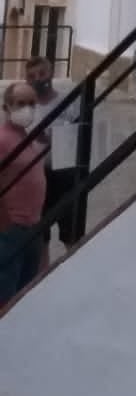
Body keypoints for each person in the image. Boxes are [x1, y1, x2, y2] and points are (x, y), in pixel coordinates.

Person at [28, 55, 84, 251]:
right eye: (32, 76)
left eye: (42, 73)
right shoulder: (27, 107)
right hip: (37, 176)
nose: (38, 79)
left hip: (65, 173)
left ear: (51, 73)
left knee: (71, 235)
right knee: (40, 237)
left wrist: (54, 139)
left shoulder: (68, 103)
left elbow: (82, 137)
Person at [0, 80, 49, 303]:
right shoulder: (3, 139)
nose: (27, 108)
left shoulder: (26, 136)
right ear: (7, 106)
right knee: (6, 294)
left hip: (32, 225)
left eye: (31, 103)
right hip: (12, 228)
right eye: (20, 103)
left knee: (25, 292)